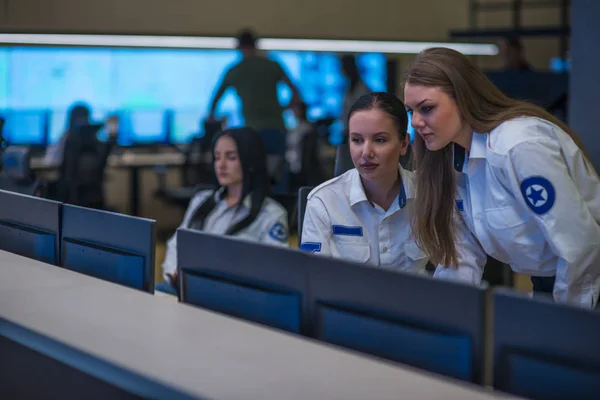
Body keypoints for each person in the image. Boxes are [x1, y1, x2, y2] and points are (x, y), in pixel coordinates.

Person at [402, 47, 600, 308]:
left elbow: (580, 246)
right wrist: (446, 315)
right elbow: (463, 256)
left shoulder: (519, 146)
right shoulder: (452, 159)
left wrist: (566, 320)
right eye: (410, 111)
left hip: (586, 283)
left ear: (463, 98)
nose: (415, 121)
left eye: (427, 108)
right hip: (552, 282)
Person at [300, 92, 429, 273]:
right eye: (357, 140)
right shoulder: (324, 201)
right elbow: (313, 279)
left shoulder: (428, 195)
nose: (366, 152)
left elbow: (452, 266)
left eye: (380, 140)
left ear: (404, 144)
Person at [157, 126, 290, 294]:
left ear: (250, 161)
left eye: (231, 157)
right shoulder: (202, 200)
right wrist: (173, 275)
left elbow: (277, 272)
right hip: (187, 290)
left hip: (234, 298)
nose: (221, 165)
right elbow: (176, 245)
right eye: (217, 157)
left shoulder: (271, 214)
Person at [207, 29, 302, 155]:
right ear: (256, 45)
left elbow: (215, 100)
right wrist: (284, 108)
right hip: (276, 128)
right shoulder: (272, 65)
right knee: (277, 169)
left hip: (252, 131)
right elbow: (295, 91)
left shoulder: (235, 70)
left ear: (238, 47)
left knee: (254, 170)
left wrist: (213, 120)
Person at [334, 55, 373, 177]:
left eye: (342, 67)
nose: (341, 70)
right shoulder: (349, 87)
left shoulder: (363, 89)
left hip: (360, 133)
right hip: (348, 132)